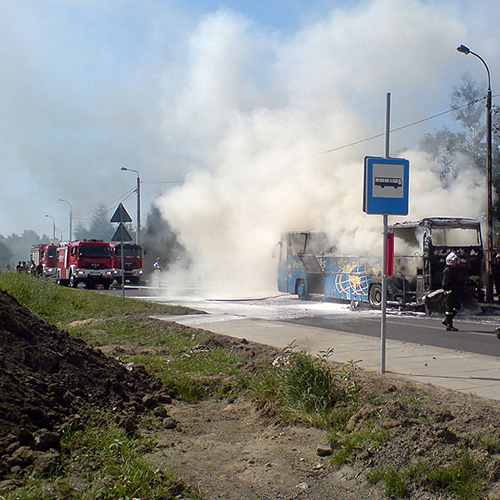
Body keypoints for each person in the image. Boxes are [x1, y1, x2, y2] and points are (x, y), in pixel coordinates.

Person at [441, 251, 461, 332]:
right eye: (454, 261)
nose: (456, 262)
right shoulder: (447, 270)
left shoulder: (454, 270)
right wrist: (449, 290)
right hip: (450, 293)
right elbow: (445, 283)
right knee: (449, 309)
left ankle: (447, 320)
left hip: (454, 292)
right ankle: (449, 325)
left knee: (457, 306)